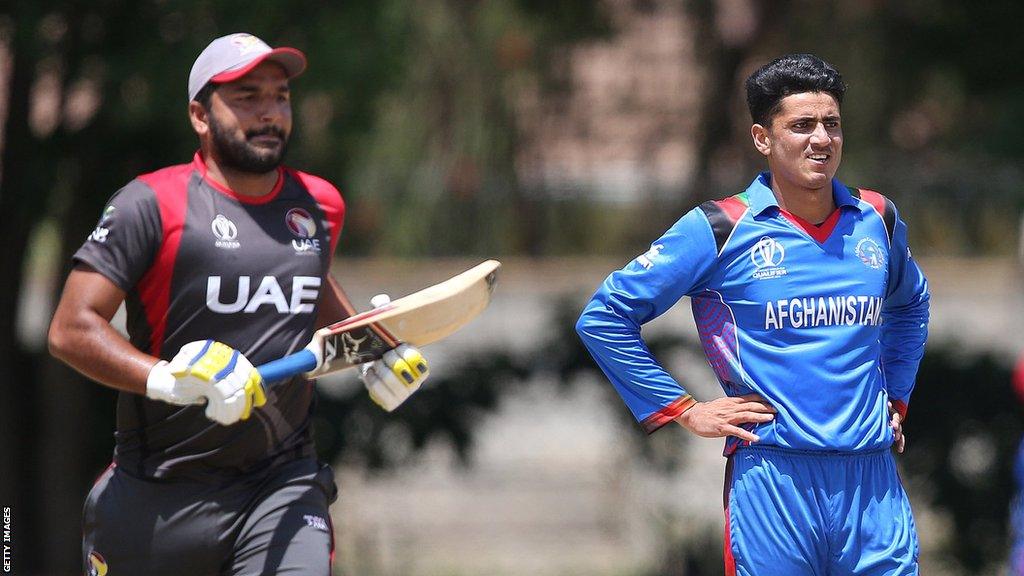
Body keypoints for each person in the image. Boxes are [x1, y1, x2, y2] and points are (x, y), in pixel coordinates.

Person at [48, 33, 430, 576]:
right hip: (155, 498)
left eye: (280, 97)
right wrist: (169, 380)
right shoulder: (150, 203)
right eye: (247, 97)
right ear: (200, 116)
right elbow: (69, 329)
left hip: (281, 488)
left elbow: (313, 297)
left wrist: (373, 351)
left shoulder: (319, 204)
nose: (270, 113)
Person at [576, 53, 929, 575]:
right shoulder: (720, 228)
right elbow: (605, 317)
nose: (821, 139)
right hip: (774, 484)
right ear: (763, 139)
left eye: (831, 124)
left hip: (872, 483)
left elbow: (912, 303)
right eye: (802, 125)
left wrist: (896, 396)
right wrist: (684, 409)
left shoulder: (876, 217)